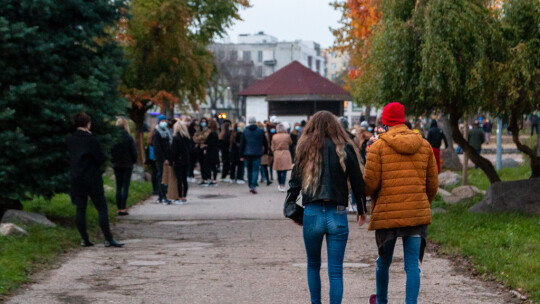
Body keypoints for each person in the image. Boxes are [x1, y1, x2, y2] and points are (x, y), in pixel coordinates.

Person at [285, 111, 367, 304]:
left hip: (312, 212)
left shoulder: (305, 148)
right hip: (337, 212)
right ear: (336, 127)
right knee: (336, 270)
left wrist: (291, 207)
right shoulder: (345, 148)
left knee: (313, 265)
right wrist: (361, 209)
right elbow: (357, 181)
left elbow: (295, 182)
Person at [363, 102, 438, 304]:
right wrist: (420, 203)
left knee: (383, 263)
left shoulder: (378, 147)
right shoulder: (424, 145)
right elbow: (432, 185)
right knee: (412, 266)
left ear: (385, 122)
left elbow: (369, 185)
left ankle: (382, 301)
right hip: (416, 215)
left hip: (387, 216)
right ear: (403, 120)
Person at [67, 113, 123, 248]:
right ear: (87, 123)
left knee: (81, 208)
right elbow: (101, 158)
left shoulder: (70, 139)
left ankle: (84, 239)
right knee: (102, 207)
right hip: (92, 177)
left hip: (76, 177)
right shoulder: (90, 139)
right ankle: (108, 238)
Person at [111, 118, 137, 216]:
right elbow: (134, 152)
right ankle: (123, 208)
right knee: (125, 186)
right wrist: (133, 161)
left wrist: (113, 161)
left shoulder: (114, 138)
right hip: (127, 164)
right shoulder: (129, 137)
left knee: (118, 186)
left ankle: (118, 208)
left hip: (117, 164)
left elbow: (111, 151)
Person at [240, 117, 268, 194]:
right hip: (257, 153)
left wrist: (241, 155)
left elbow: (242, 144)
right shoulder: (260, 131)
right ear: (255, 122)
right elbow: (265, 143)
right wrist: (265, 151)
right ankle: (253, 185)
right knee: (255, 170)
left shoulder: (245, 131)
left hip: (247, 153)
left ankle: (250, 185)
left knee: (249, 170)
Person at [152, 115, 173, 204]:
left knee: (165, 177)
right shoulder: (157, 133)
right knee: (162, 177)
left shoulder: (166, 132)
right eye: (163, 120)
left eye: (165, 120)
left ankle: (162, 196)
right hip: (161, 159)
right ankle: (162, 195)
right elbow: (157, 148)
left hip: (166, 158)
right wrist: (164, 159)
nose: (165, 122)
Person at [170, 121, 191, 204]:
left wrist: (172, 161)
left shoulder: (176, 138)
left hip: (178, 160)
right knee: (184, 179)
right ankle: (184, 196)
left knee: (179, 179)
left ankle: (179, 196)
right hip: (186, 160)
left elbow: (174, 151)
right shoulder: (187, 138)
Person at [271, 123, 293, 192]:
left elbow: (272, 146)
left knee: (278, 170)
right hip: (285, 153)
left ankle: (280, 183)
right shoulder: (287, 136)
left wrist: (274, 151)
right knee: (284, 170)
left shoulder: (274, 136)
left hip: (277, 153)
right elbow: (290, 143)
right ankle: (282, 185)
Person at [193, 118, 210, 185]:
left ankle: (205, 178)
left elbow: (205, 137)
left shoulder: (208, 130)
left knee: (205, 164)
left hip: (204, 148)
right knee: (201, 164)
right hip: (198, 148)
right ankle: (203, 178)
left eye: (204, 121)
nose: (203, 123)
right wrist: (200, 137)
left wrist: (199, 137)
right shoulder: (198, 130)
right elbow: (194, 138)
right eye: (202, 121)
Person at [203, 120, 220, 186]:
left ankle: (210, 179)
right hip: (214, 151)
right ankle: (213, 179)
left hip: (211, 152)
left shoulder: (212, 133)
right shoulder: (215, 133)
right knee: (213, 166)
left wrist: (206, 148)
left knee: (209, 165)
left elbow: (210, 143)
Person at [145, 128, 158, 195]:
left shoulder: (150, 139)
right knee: (157, 174)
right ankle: (157, 189)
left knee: (154, 173)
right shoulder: (157, 135)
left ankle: (154, 189)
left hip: (152, 158)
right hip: (156, 158)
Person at [187, 118, 198, 182]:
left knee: (191, 163)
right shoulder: (193, 133)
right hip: (192, 150)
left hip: (192, 150)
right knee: (191, 163)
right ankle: (190, 175)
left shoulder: (191, 132)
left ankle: (190, 175)